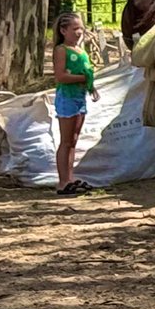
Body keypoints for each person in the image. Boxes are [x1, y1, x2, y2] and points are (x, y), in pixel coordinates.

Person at [52, 12, 100, 195]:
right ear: (63, 30)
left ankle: (70, 178)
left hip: (80, 98)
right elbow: (61, 76)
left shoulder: (81, 50)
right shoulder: (61, 50)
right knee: (65, 141)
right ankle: (62, 182)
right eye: (75, 29)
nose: (79, 32)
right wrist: (84, 77)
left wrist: (90, 85)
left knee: (73, 141)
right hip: (67, 98)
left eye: (81, 28)